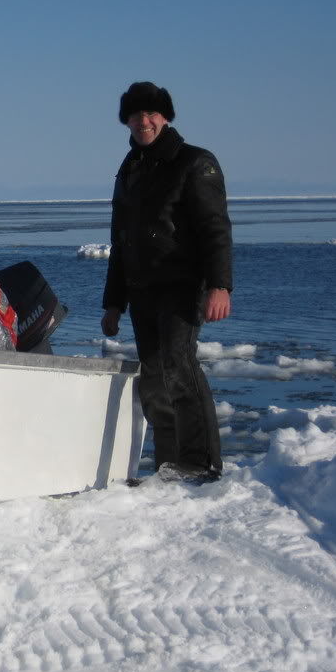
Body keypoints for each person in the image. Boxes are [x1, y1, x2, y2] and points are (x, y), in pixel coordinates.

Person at [101, 81, 232, 483]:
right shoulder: (130, 171)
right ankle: (168, 463)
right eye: (135, 115)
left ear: (166, 117)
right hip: (141, 289)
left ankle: (201, 461)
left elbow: (215, 228)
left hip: (181, 284)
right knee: (155, 376)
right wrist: (113, 303)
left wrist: (219, 285)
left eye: (151, 114)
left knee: (180, 366)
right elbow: (120, 242)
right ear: (126, 120)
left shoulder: (195, 162)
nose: (143, 122)